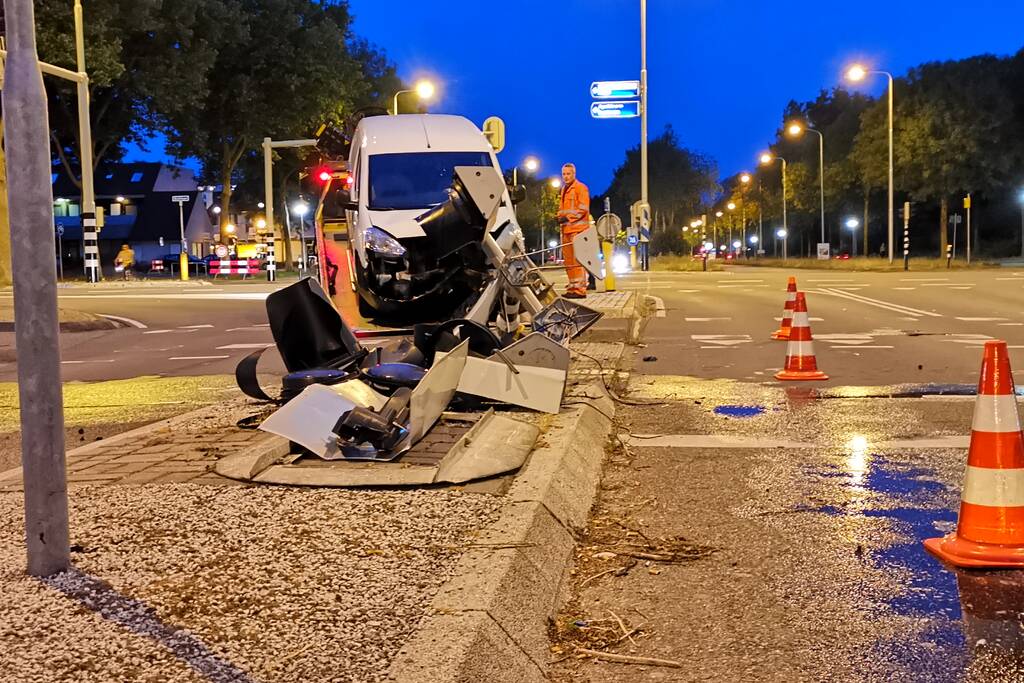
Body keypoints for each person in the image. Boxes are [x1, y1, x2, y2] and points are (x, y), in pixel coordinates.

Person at [556, 163, 590, 299]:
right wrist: (559, 217)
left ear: (574, 174)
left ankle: (580, 289)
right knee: (569, 261)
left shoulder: (581, 188)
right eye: (564, 174)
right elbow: (563, 208)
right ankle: (573, 287)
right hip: (567, 230)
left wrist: (566, 218)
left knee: (578, 261)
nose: (565, 176)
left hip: (578, 230)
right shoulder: (564, 189)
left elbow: (583, 209)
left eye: (568, 173)